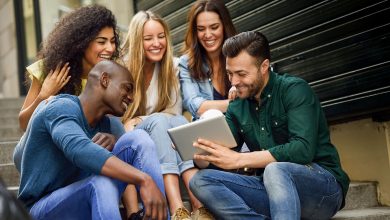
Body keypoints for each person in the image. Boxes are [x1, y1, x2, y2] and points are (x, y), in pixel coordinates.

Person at [189, 31, 350, 219]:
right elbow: (225, 159)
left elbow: (302, 150)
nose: (233, 82)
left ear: (264, 66)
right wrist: (200, 152)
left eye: (241, 74)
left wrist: (241, 159)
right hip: (271, 191)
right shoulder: (237, 105)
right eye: (230, 73)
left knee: (276, 168)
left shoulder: (294, 90)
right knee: (200, 181)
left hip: (323, 190)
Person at [17, 60, 167, 220]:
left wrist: (115, 143)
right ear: (105, 80)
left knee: (138, 138)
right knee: (100, 185)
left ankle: (159, 217)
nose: (131, 98)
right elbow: (79, 149)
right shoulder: (59, 107)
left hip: (83, 198)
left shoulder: (109, 126)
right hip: (39, 209)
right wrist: (144, 179)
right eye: (127, 88)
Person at [120, 11, 212, 220]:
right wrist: (141, 121)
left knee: (180, 122)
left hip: (161, 133)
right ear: (137, 41)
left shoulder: (172, 65)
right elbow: (121, 123)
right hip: (133, 139)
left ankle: (198, 206)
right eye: (148, 38)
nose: (157, 43)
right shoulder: (122, 69)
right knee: (162, 121)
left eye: (161, 36)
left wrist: (140, 119)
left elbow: (174, 112)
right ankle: (177, 207)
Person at [14, 4, 124, 170]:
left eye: (112, 41)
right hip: (40, 151)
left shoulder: (109, 76)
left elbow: (111, 126)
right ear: (82, 42)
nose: (109, 48)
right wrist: (44, 96)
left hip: (82, 148)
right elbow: (23, 123)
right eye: (101, 42)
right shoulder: (49, 69)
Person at [179, 0, 237, 120]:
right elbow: (196, 107)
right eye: (201, 29)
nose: (208, 34)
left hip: (243, 129)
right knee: (211, 115)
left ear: (224, 26)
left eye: (214, 27)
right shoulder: (186, 63)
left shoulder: (240, 54)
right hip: (209, 132)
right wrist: (236, 104)